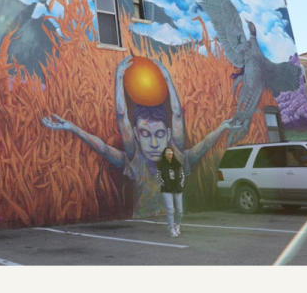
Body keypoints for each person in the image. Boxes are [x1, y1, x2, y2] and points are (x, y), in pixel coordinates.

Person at [41, 55, 232, 217]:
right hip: (143, 226)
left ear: (168, 135)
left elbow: (180, 116)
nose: (154, 143)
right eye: (145, 134)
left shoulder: (179, 157)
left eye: (159, 134)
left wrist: (165, 76)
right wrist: (118, 77)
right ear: (136, 136)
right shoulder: (135, 160)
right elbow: (111, 133)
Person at [157, 147, 185, 237]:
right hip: (167, 189)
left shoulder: (177, 164)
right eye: (167, 152)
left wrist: (181, 185)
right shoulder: (161, 164)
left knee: (180, 210)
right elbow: (158, 176)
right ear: (164, 154)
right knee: (170, 209)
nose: (169, 153)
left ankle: (177, 225)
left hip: (177, 188)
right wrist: (164, 185)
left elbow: (182, 175)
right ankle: (171, 228)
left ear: (173, 154)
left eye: (171, 152)